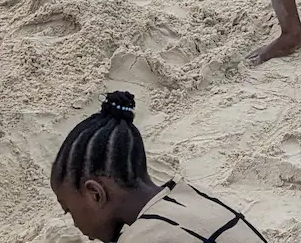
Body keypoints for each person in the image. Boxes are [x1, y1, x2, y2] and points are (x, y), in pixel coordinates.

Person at [50, 92, 267, 242]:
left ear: (95, 194)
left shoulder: (145, 237)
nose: (75, 224)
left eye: (68, 210)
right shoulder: (193, 195)